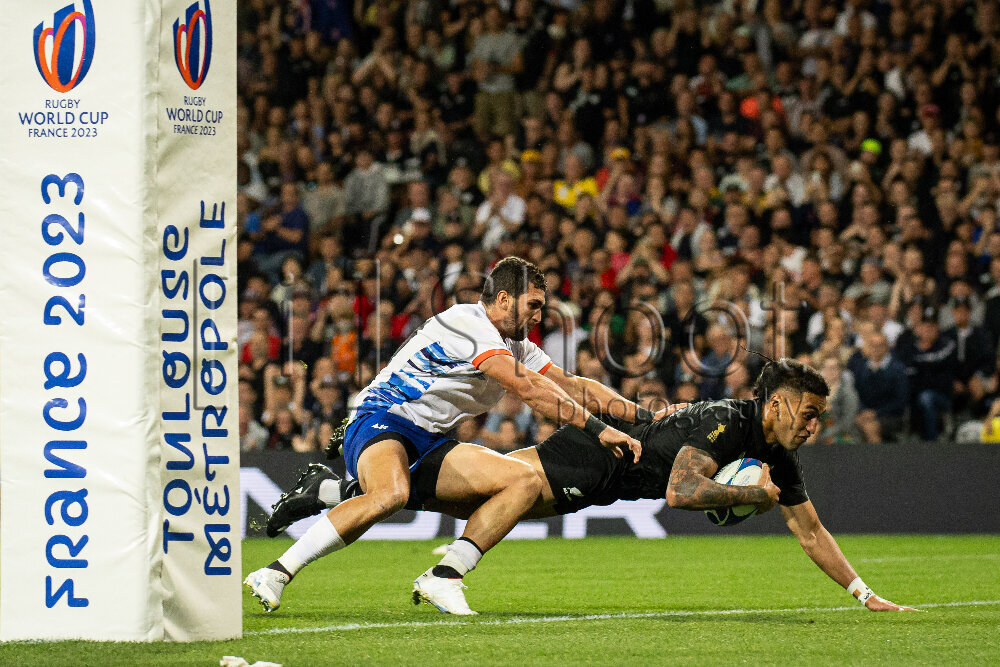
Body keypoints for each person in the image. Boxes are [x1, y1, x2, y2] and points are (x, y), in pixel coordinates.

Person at [269, 359, 916, 612]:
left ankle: (333, 491)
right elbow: (683, 492)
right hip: (595, 463)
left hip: (604, 469)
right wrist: (748, 493)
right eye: (806, 412)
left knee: (464, 491)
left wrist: (864, 593)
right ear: (774, 403)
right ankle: (444, 575)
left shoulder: (774, 450)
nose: (812, 425)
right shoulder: (729, 423)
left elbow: (811, 529)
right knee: (513, 491)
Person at [245, 257, 654, 615]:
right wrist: (600, 431)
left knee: (522, 482)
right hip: (383, 419)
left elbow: (572, 385)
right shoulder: (467, 322)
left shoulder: (518, 344)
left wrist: (645, 417)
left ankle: (443, 573)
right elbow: (528, 389)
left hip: (431, 440)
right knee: (389, 495)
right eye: (533, 305)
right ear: (505, 299)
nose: (538, 317)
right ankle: (274, 572)